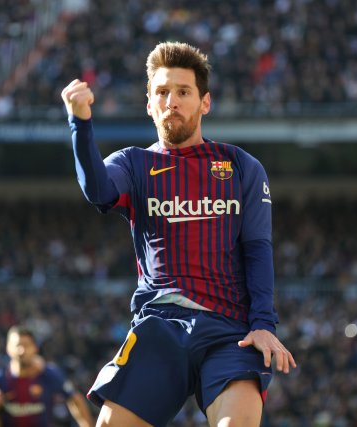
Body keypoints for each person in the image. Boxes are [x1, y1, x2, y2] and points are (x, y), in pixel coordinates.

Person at [61, 41, 297, 427]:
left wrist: (263, 325)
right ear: (149, 104)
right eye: (162, 92)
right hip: (160, 325)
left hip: (229, 330)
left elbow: (258, 250)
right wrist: (80, 123)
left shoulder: (240, 166)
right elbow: (98, 190)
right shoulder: (134, 163)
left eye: (183, 92)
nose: (172, 101)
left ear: (205, 102)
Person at [0, 325, 94, 427]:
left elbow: (75, 399)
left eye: (26, 345)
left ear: (35, 348)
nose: (22, 350)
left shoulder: (49, 374)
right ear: (8, 348)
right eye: (17, 345)